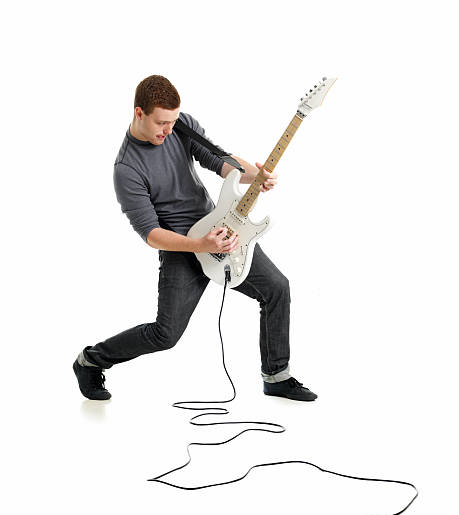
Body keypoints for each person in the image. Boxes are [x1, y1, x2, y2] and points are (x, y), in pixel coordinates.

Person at [73, 75, 317, 403]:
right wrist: (201, 246)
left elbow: (221, 163)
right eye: (162, 122)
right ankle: (90, 360)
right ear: (139, 113)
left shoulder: (180, 125)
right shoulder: (126, 169)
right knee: (165, 335)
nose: (169, 130)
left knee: (277, 288)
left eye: (173, 121)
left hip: (218, 229)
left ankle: (276, 375)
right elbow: (152, 235)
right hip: (180, 247)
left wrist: (255, 176)